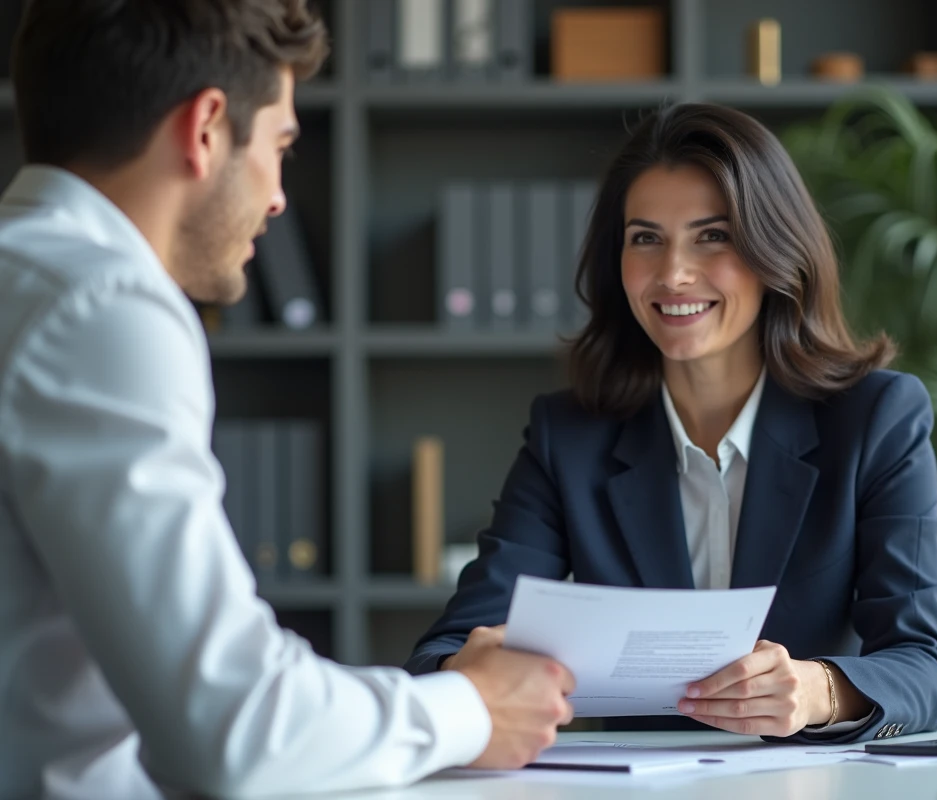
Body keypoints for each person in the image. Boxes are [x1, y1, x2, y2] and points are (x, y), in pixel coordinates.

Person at [0, 2, 574, 798]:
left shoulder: (24, 273)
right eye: (279, 146)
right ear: (205, 128)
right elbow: (235, 729)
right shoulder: (103, 304)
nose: (277, 197)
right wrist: (472, 708)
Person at [407, 103, 937, 743]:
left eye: (713, 236)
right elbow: (446, 649)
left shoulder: (875, 418)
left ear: (773, 251)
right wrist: (468, 674)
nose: (673, 274)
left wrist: (818, 691)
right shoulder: (570, 437)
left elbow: (926, 665)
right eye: (645, 238)